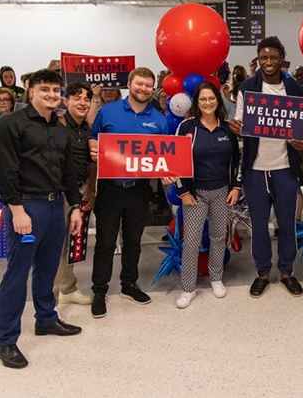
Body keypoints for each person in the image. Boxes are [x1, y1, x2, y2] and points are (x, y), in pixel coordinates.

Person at [0, 68, 84, 369]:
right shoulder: (10, 125)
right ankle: (5, 339)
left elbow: (68, 172)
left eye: (56, 90)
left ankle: (46, 319)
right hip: (27, 208)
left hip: (56, 206)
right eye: (44, 89)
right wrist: (16, 209)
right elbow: (4, 171)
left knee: (47, 270)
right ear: (30, 91)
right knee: (17, 275)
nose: (51, 95)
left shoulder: (60, 129)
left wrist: (78, 207)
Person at [230, 37, 303, 299]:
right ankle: (262, 272)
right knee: (259, 225)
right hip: (255, 168)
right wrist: (236, 128)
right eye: (264, 57)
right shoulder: (247, 88)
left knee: (287, 223)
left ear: (281, 58)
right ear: (258, 59)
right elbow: (240, 124)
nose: (269, 62)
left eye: (274, 57)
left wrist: (302, 143)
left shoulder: (296, 90)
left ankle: (287, 271)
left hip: (285, 167)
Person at [88, 67, 168, 318]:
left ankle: (129, 284)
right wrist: (94, 149)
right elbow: (93, 137)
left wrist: (167, 169)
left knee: (134, 241)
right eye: (139, 84)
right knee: (105, 242)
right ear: (130, 84)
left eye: (148, 85)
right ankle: (99, 291)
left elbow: (165, 154)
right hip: (110, 189)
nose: (144, 89)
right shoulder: (108, 111)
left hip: (140, 189)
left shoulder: (160, 119)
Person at [171, 82, 241, 308]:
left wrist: (236, 187)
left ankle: (216, 278)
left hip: (222, 192)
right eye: (203, 99)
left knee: (219, 237)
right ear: (197, 103)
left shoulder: (227, 129)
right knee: (191, 241)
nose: (208, 103)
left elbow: (237, 160)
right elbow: (177, 160)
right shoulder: (187, 128)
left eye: (212, 98)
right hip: (195, 194)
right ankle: (188, 287)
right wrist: (183, 192)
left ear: (218, 101)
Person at [52, 83, 97, 306]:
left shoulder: (87, 129)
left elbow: (90, 163)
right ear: (66, 100)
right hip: (59, 192)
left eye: (86, 99)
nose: (82, 102)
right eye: (77, 98)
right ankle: (49, 299)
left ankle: (68, 288)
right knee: (55, 244)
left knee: (73, 243)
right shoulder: (56, 125)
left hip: (80, 191)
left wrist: (91, 190)